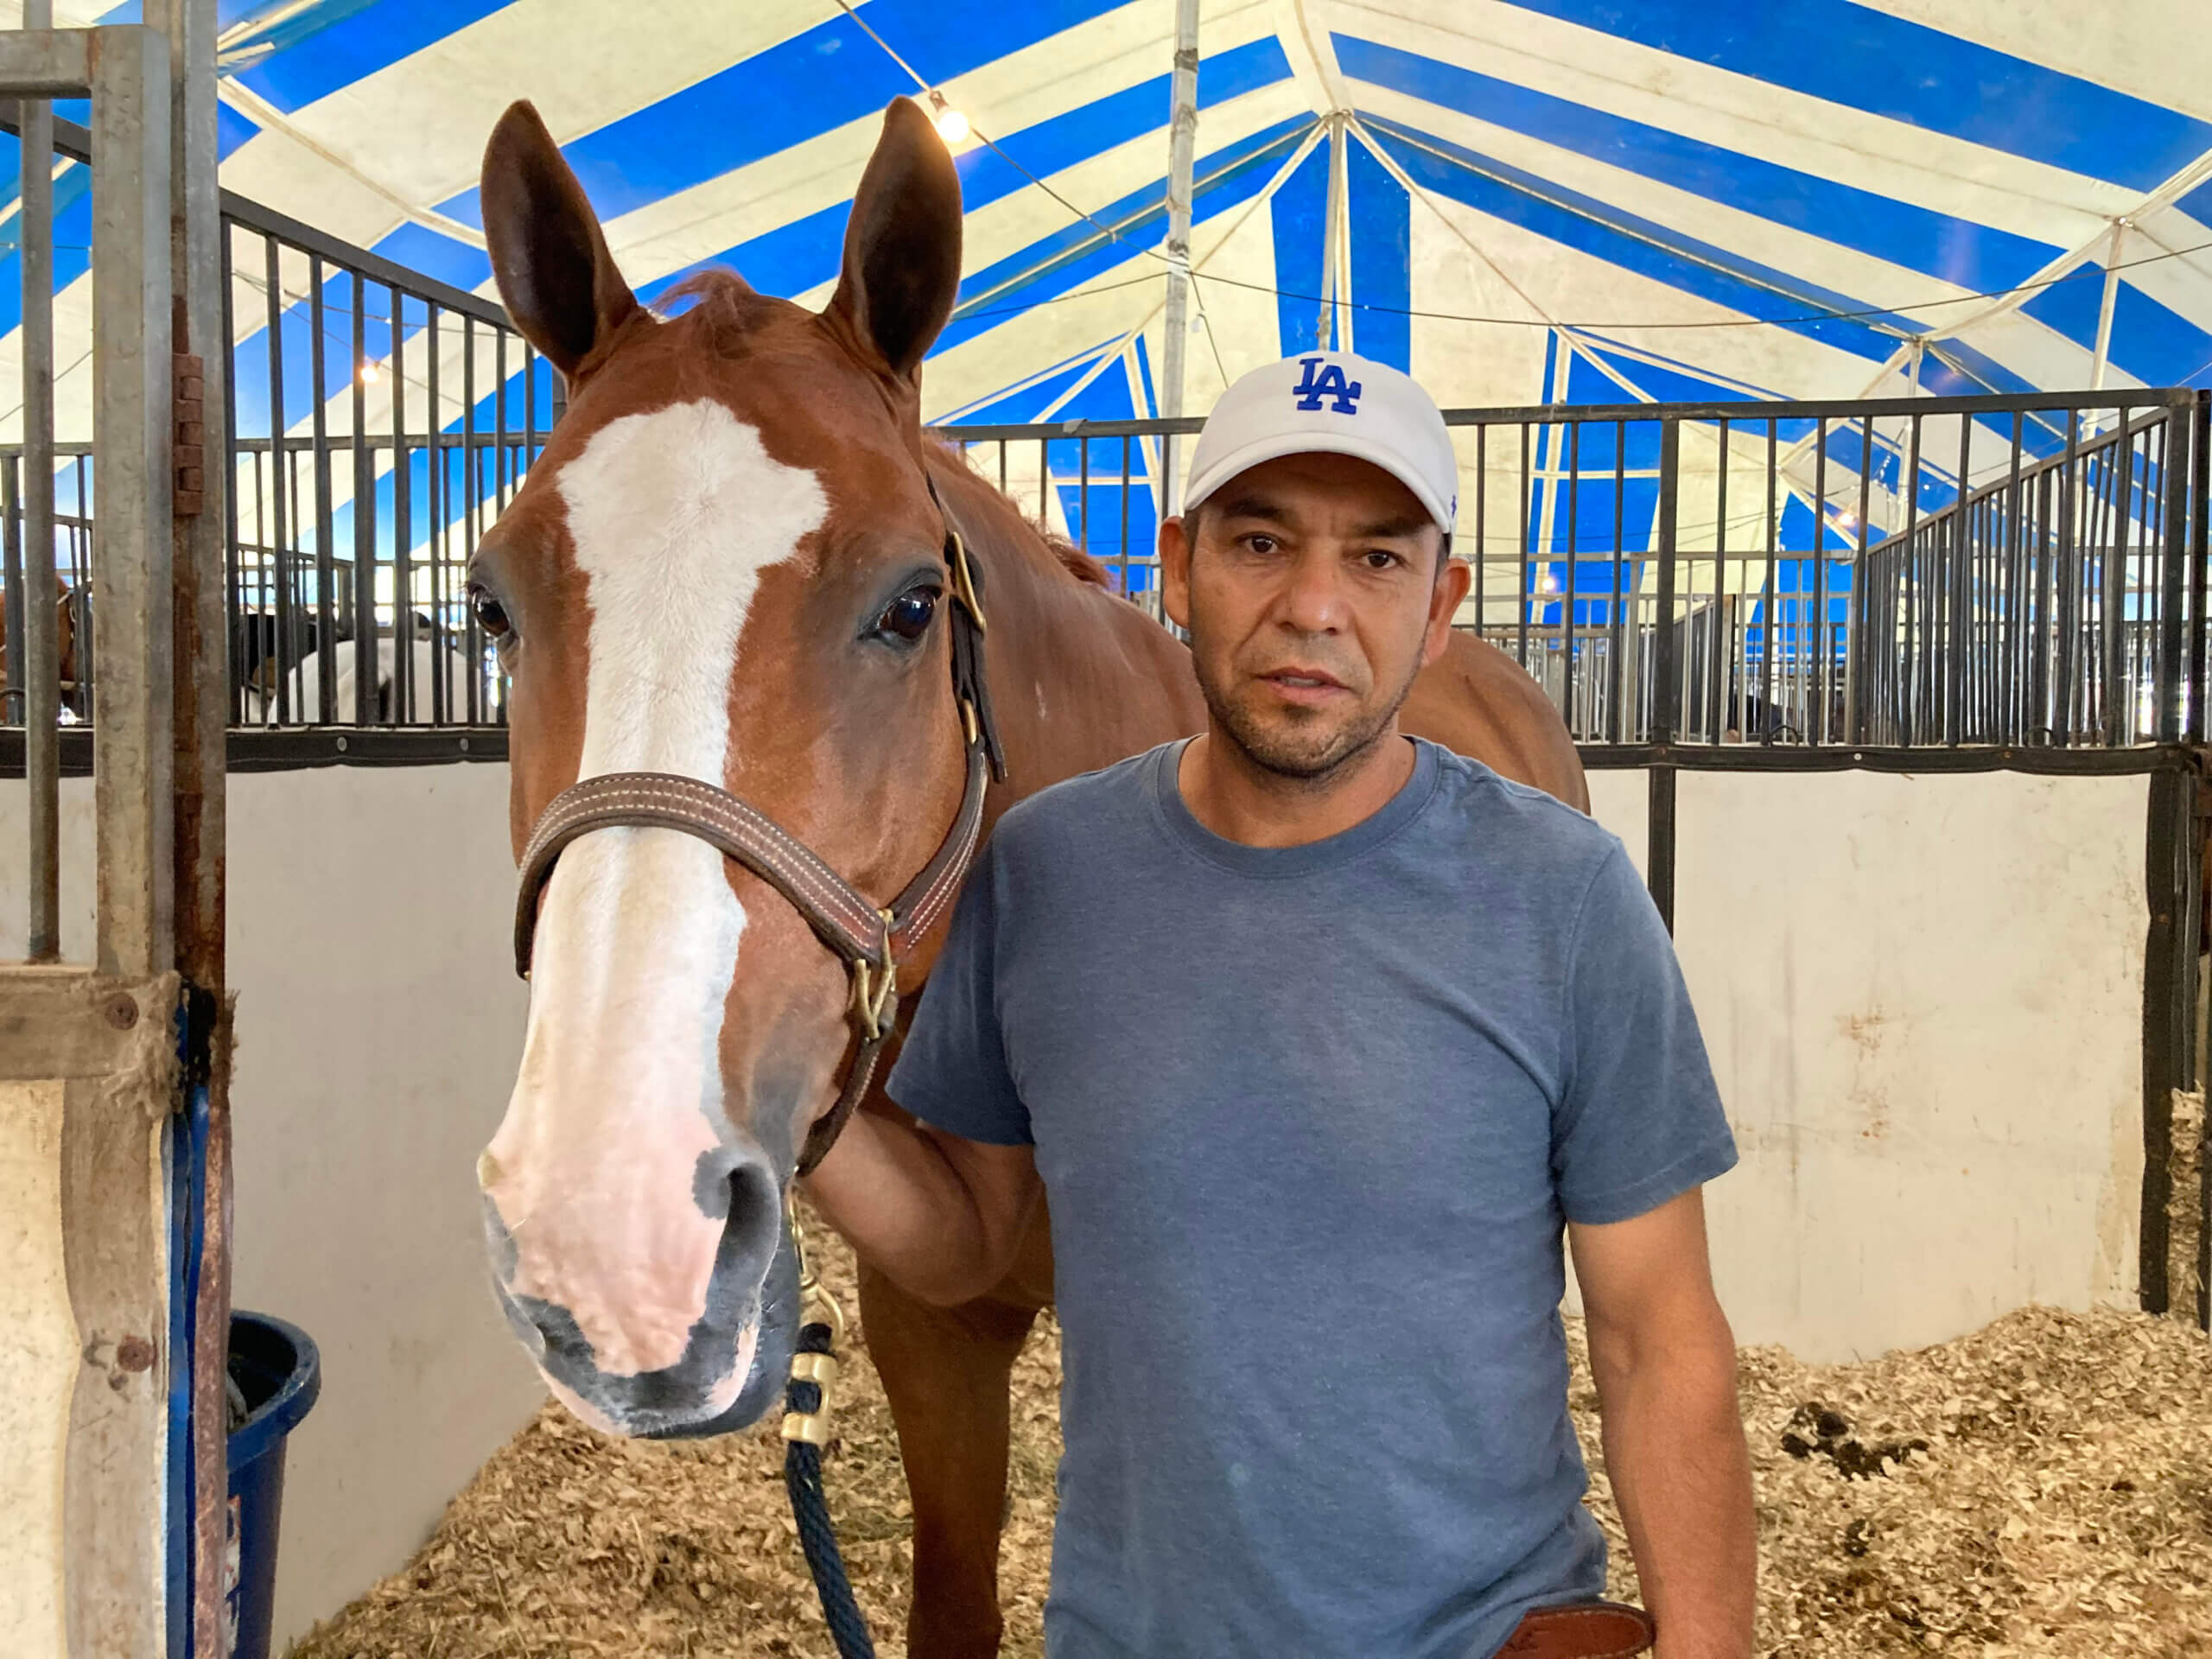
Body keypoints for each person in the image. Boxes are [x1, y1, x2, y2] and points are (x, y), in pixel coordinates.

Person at [804, 349, 1756, 1659]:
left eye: (1376, 558)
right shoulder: (1042, 876)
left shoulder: (1566, 895)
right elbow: (965, 1252)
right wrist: (792, 1103)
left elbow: (1657, 1333)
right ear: (1179, 566)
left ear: (1441, 609)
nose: (1314, 607)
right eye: (1262, 542)